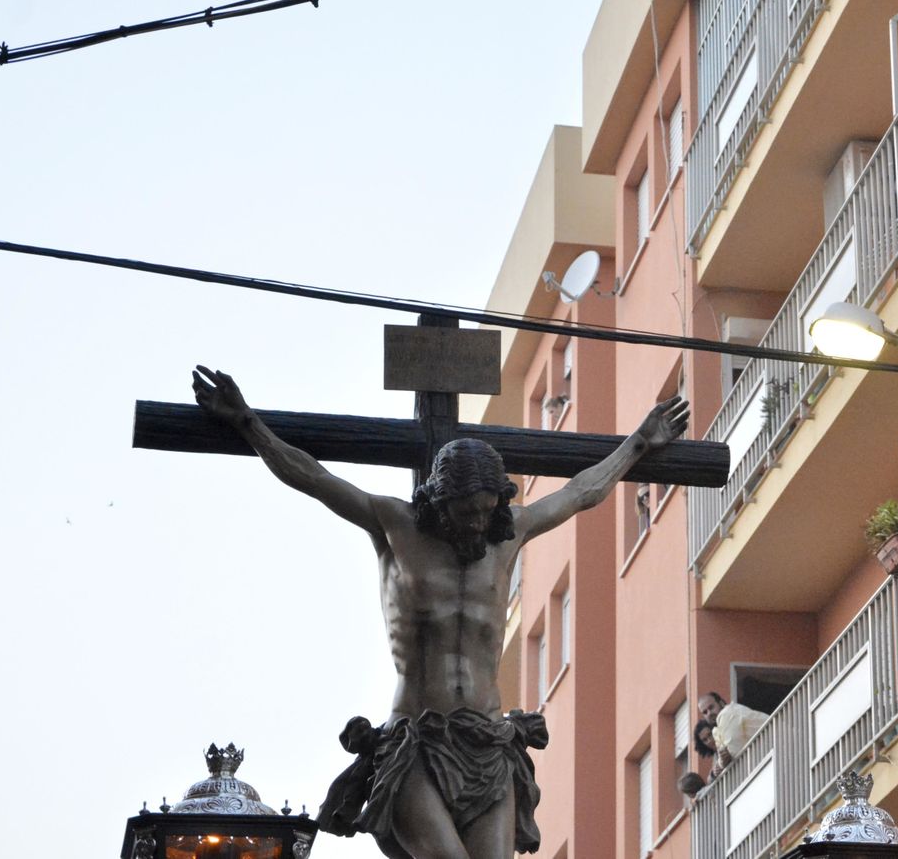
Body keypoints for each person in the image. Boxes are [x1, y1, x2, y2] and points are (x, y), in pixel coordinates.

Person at [190, 366, 688, 859]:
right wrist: (247, 423)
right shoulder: (394, 525)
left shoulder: (508, 532)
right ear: (438, 500)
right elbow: (315, 477)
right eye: (465, 511)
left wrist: (640, 443)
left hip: (488, 742)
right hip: (416, 743)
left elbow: (581, 492)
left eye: (486, 509)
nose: (477, 522)